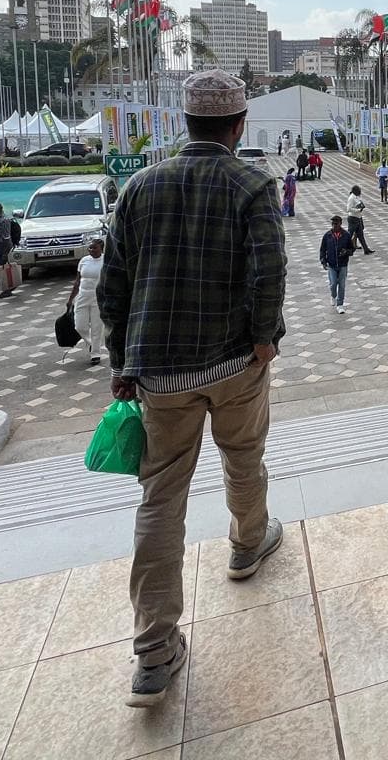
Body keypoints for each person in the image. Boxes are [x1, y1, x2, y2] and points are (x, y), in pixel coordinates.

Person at [99, 70, 288, 708]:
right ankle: (246, 543)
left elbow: (113, 285)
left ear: (186, 124)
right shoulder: (253, 184)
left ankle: (154, 651)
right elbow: (270, 270)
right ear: (238, 126)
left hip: (158, 372)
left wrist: (123, 361)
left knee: (160, 501)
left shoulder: (140, 186)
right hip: (235, 363)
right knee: (244, 457)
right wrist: (265, 340)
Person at [67, 237, 107, 366]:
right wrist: (70, 299)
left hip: (98, 297)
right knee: (79, 326)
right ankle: (92, 344)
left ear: (101, 248)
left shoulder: (106, 260)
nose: (91, 250)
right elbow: (77, 281)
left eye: (94, 248)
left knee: (97, 327)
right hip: (83, 296)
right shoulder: (84, 261)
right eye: (90, 248)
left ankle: (95, 354)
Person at [319, 214, 356, 314]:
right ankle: (333, 295)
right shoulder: (327, 235)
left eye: (336, 224)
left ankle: (340, 304)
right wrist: (323, 261)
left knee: (342, 284)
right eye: (333, 224)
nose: (334, 226)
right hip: (331, 264)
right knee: (333, 283)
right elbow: (322, 249)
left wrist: (346, 252)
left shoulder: (346, 235)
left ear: (340, 224)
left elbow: (352, 249)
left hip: (343, 264)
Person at [0, 201, 20, 299]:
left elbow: (6, 236)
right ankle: (9, 286)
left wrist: (6, 252)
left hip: (2, 246)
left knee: (1, 269)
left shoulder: (5, 220)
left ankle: (6, 290)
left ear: (1, 208)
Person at [346, 185, 373, 253]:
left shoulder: (356, 197)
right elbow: (348, 209)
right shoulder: (351, 198)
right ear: (355, 191)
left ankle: (366, 249)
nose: (360, 192)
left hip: (358, 218)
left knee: (361, 235)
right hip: (353, 218)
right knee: (349, 235)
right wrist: (358, 210)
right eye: (359, 191)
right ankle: (344, 248)